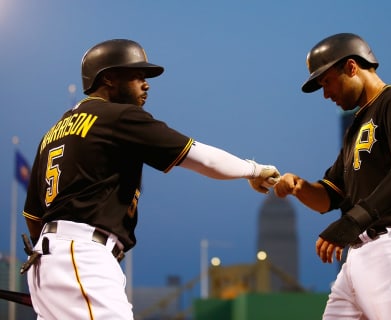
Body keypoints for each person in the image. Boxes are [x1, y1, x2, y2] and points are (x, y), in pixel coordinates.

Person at [21, 39, 280, 319]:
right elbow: (200, 158)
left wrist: (53, 261)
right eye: (137, 76)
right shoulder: (117, 116)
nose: (146, 84)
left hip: (47, 262)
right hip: (81, 255)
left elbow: (34, 217)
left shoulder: (53, 132)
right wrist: (253, 169)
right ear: (108, 77)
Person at [274, 33, 391, 319]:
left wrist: (354, 220)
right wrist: (299, 187)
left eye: (327, 81)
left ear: (351, 67)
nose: (325, 93)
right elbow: (329, 197)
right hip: (357, 258)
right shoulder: (356, 127)